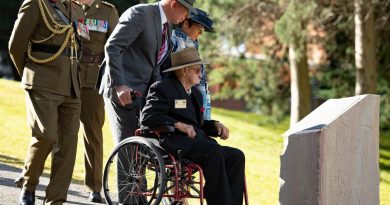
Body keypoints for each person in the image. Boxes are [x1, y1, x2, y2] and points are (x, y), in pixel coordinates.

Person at [95, 0, 196, 203]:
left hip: (142, 95)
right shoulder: (140, 14)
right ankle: (128, 200)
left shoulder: (165, 27)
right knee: (128, 146)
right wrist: (120, 85)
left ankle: (138, 197)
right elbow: (113, 47)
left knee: (142, 148)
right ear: (174, 4)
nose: (185, 17)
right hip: (121, 91)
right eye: (185, 10)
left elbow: (155, 66)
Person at [141, 47, 246, 205]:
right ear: (184, 70)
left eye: (201, 69)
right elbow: (148, 118)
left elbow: (199, 124)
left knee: (236, 155)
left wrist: (216, 126)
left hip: (199, 143)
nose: (201, 73)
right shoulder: (162, 88)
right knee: (214, 152)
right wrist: (178, 125)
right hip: (175, 143)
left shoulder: (195, 93)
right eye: (197, 69)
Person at [8, 0, 86, 204]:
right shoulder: (36, 4)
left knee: (68, 146)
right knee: (46, 136)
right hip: (43, 81)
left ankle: (56, 199)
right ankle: (29, 184)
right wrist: (32, 73)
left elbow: (78, 42)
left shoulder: (76, 8)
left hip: (72, 84)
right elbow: (15, 46)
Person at [77, 0, 118, 202]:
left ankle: (94, 187)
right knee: (58, 132)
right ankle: (55, 183)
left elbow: (116, 47)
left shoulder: (107, 11)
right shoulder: (65, 5)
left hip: (93, 79)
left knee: (92, 133)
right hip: (66, 75)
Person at [169, 8, 215, 120]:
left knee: (200, 128)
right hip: (181, 97)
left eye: (203, 29)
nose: (200, 33)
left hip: (196, 97)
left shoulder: (192, 42)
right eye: (199, 28)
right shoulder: (174, 40)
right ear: (185, 23)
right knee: (185, 123)